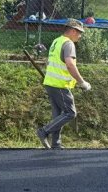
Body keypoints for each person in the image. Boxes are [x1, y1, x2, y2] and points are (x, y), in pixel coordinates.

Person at [36, 18, 92, 149]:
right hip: (60, 85)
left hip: (50, 83)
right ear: (72, 31)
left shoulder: (57, 41)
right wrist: (82, 82)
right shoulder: (68, 44)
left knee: (58, 114)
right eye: (79, 32)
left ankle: (56, 144)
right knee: (70, 113)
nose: (80, 35)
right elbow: (70, 65)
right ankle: (44, 131)